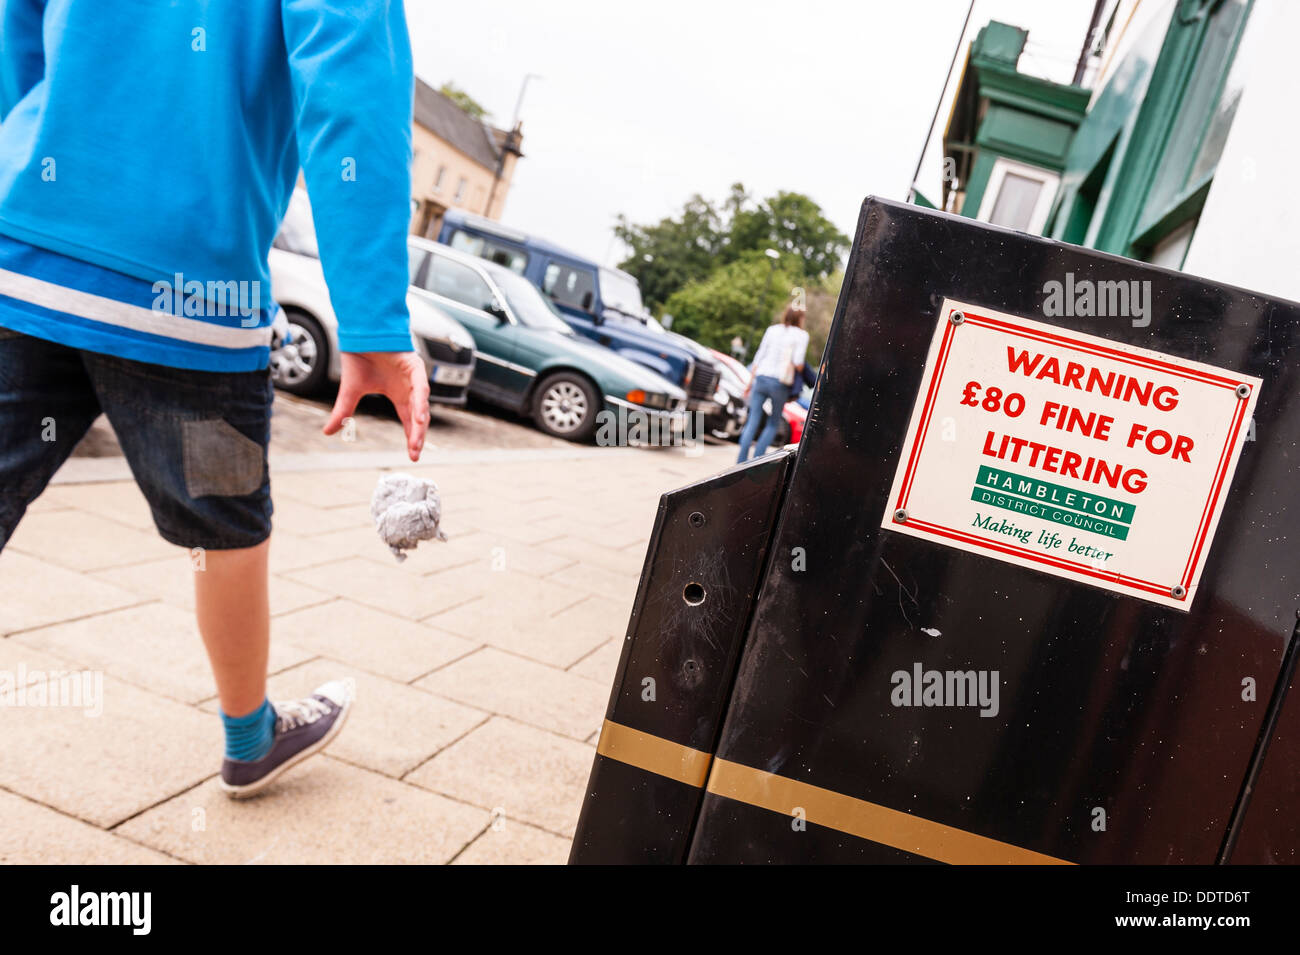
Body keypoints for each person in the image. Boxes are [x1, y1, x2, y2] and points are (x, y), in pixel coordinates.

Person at [0, 1, 428, 798]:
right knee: (225, 524)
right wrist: (371, 318)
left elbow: (15, 30)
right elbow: (349, 76)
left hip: (20, 252)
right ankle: (249, 735)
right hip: (194, 295)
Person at [737, 304, 809, 462]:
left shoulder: (773, 330)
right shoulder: (801, 335)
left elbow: (759, 355)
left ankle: (740, 461)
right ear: (800, 318)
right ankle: (756, 461)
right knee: (772, 423)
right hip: (780, 383)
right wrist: (805, 370)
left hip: (761, 378)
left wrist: (750, 383)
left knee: (753, 419)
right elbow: (798, 362)